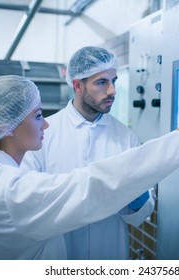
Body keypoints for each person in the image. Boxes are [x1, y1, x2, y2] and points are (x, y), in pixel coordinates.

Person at [0, 75, 179, 260]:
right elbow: (91, 184)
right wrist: (175, 139)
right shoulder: (12, 192)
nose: (45, 126)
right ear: (4, 127)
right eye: (38, 116)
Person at [22, 46, 153, 260]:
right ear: (77, 85)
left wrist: (137, 200)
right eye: (102, 82)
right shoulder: (44, 134)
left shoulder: (126, 137)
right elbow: (27, 202)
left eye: (114, 81)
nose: (112, 91)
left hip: (109, 253)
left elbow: (142, 214)